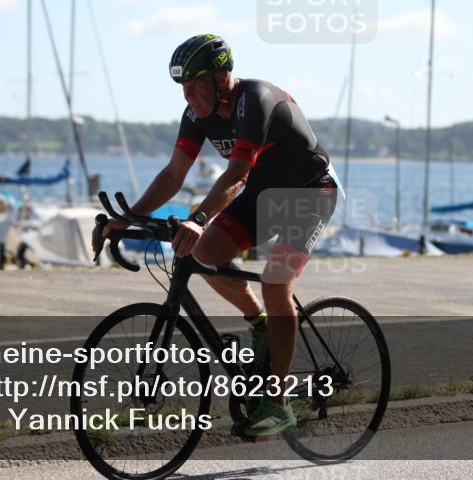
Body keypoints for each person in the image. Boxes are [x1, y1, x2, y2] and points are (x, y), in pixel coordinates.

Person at [101, 33, 338, 436]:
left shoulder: (256, 100)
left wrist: (198, 217)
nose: (187, 94)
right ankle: (260, 326)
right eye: (182, 86)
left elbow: (237, 174)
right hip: (264, 194)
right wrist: (128, 217)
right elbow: (174, 175)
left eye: (194, 84)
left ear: (222, 75)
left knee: (276, 284)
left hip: (309, 193)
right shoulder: (196, 115)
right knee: (205, 253)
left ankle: (278, 405)